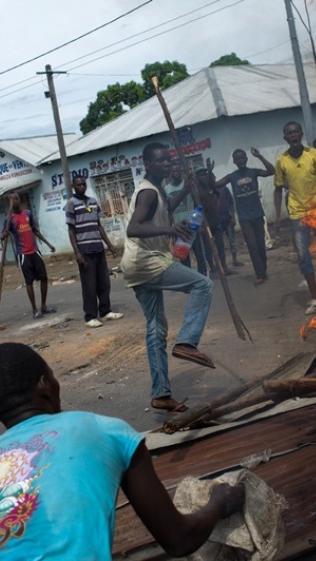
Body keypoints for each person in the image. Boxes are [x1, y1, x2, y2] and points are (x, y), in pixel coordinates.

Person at [0, 342, 244, 559]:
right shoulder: (102, 429)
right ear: (44, 385)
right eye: (52, 375)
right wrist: (219, 502)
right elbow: (180, 540)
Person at [120, 143, 215, 413]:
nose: (167, 164)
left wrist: (185, 188)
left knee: (155, 329)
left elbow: (167, 207)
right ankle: (187, 342)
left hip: (137, 265)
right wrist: (171, 230)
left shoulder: (155, 189)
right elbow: (134, 228)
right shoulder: (148, 192)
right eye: (160, 161)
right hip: (146, 262)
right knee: (202, 284)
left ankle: (161, 394)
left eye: (169, 160)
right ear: (147, 164)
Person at [274, 122, 316, 315]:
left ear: (300, 134)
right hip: (297, 214)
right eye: (289, 133)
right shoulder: (281, 161)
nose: (292, 135)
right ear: (285, 137)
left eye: (295, 132)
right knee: (303, 257)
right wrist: (277, 216)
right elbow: (277, 189)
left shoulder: (314, 155)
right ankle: (315, 299)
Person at [65, 176, 124, 328]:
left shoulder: (92, 201)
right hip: (84, 251)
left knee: (104, 281)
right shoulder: (71, 204)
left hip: (98, 247)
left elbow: (99, 226)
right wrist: (77, 252)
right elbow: (71, 230)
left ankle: (105, 312)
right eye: (78, 185)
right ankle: (90, 316)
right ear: (73, 186)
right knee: (89, 285)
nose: (81, 187)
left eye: (83, 184)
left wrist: (110, 245)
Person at [214, 148, 275, 286]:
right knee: (252, 247)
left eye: (242, 158)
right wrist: (207, 173)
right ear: (234, 161)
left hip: (257, 214)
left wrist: (260, 156)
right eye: (237, 159)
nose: (240, 160)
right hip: (245, 218)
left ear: (246, 159)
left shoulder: (253, 172)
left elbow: (271, 171)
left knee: (260, 246)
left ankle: (263, 271)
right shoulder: (232, 176)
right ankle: (259, 274)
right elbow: (216, 184)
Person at [1, 193, 57, 320]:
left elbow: (34, 230)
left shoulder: (28, 214)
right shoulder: (8, 219)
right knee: (29, 282)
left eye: (16, 198)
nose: (14, 201)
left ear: (20, 200)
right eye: (11, 200)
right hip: (23, 254)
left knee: (44, 278)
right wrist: (3, 234)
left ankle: (43, 306)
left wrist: (48, 244)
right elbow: (3, 234)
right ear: (9, 203)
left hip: (35, 251)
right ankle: (35, 310)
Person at [164, 162, 206, 276]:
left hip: (192, 224)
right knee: (183, 254)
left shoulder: (188, 185)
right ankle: (188, 276)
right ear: (170, 174)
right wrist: (169, 229)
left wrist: (202, 223)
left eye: (178, 171)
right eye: (173, 171)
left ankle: (203, 274)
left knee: (199, 253)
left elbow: (198, 203)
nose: (175, 173)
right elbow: (168, 211)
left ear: (181, 172)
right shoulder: (166, 189)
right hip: (179, 227)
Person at [195, 167, 234, 278]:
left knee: (220, 245)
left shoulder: (210, 187)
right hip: (204, 223)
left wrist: (217, 206)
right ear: (197, 177)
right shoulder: (196, 190)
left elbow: (219, 194)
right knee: (208, 247)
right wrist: (200, 223)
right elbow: (195, 208)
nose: (203, 177)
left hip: (215, 221)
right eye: (201, 175)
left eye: (205, 174)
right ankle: (213, 269)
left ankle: (224, 267)